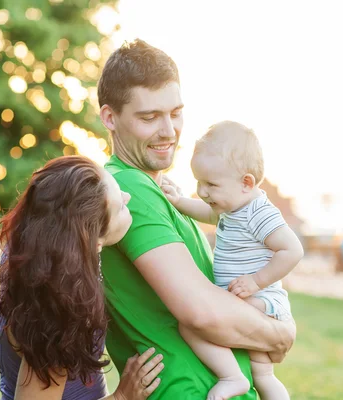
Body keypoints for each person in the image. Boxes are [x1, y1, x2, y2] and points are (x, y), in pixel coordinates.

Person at [98, 39, 296, 399]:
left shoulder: (169, 195)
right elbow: (202, 312)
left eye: (175, 112)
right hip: (185, 390)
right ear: (110, 118)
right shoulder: (127, 190)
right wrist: (280, 334)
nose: (168, 130)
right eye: (149, 117)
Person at [0, 156, 164, 400]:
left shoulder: (35, 251)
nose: (128, 197)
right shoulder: (55, 308)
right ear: (93, 240)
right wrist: (122, 396)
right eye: (120, 207)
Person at [160, 121, 304, 400]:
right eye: (199, 183)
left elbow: (293, 250)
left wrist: (255, 281)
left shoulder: (258, 212)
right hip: (246, 298)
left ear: (246, 183)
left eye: (210, 184)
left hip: (261, 299)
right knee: (264, 376)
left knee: (191, 324)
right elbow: (207, 212)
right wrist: (179, 201)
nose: (202, 192)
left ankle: (231, 376)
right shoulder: (231, 207)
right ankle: (240, 379)